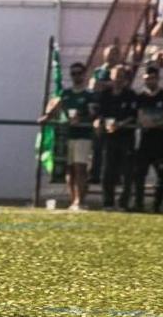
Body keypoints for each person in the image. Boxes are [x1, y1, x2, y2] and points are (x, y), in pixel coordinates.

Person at [38, 62, 97, 211]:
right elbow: (55, 106)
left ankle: (80, 200)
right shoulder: (66, 93)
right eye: (73, 73)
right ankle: (73, 200)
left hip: (83, 136)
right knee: (70, 169)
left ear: (84, 74)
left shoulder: (89, 95)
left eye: (79, 73)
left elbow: (94, 114)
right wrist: (47, 117)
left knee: (80, 168)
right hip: (67, 136)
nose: (76, 76)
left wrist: (81, 118)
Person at [95, 65, 137, 210]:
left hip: (125, 137)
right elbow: (99, 113)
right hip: (109, 137)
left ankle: (124, 203)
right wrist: (99, 122)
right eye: (116, 75)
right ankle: (108, 202)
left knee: (127, 171)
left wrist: (120, 124)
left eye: (121, 76)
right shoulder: (105, 95)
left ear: (125, 79)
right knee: (108, 170)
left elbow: (133, 116)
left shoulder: (130, 95)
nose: (118, 79)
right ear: (111, 77)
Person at [133, 66, 163, 212]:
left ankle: (156, 205)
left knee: (162, 175)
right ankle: (139, 204)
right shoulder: (141, 97)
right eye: (147, 78)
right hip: (145, 142)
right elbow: (140, 117)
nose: (150, 81)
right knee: (139, 174)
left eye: (152, 78)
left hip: (160, 142)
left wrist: (153, 122)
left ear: (158, 78)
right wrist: (149, 121)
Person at [88, 43, 121, 184]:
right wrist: (107, 84)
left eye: (114, 53)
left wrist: (104, 85)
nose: (111, 56)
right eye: (109, 53)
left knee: (114, 147)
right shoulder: (99, 70)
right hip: (99, 110)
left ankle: (115, 175)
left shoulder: (121, 70)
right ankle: (95, 174)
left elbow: (118, 85)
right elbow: (92, 85)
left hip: (115, 110)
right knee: (98, 145)